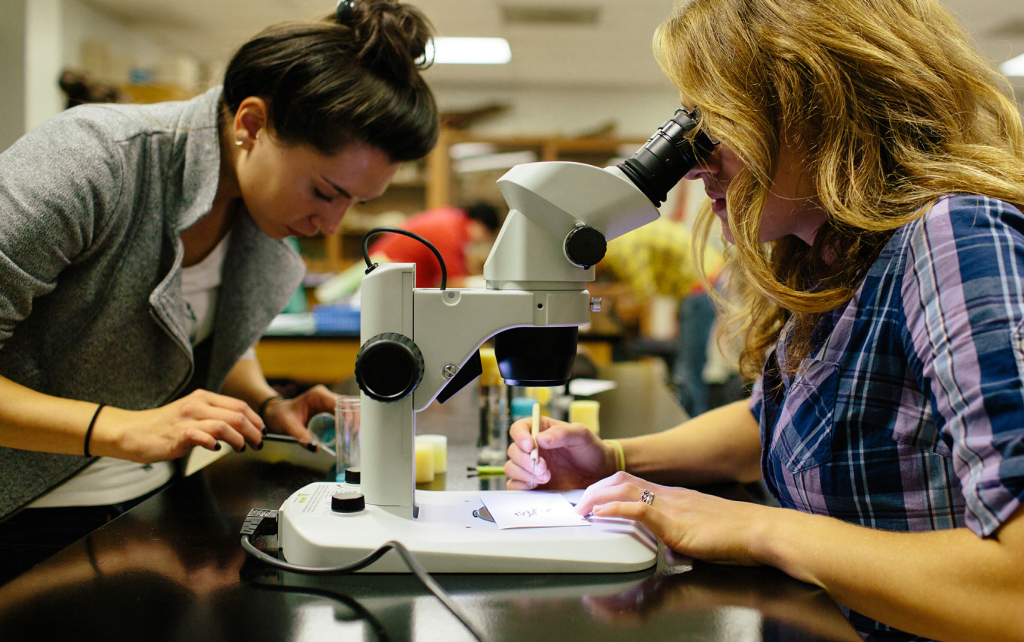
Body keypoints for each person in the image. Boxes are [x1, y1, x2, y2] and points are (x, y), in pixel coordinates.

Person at [504, 1, 1024, 640]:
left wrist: (752, 528)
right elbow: (777, 418)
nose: (694, 164)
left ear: (821, 107)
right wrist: (612, 459)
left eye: (715, 122)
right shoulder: (827, 256)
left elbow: (1016, 587)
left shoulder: (956, 239)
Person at [0, 0, 438, 577]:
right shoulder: (92, 162)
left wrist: (264, 401)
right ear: (251, 124)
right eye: (326, 192)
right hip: (25, 520)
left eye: (356, 203)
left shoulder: (259, 222)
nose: (331, 225)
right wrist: (123, 429)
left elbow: (193, 329)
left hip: (148, 513)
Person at [599, 215, 724, 416]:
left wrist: (643, 347)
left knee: (688, 369)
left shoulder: (621, 251)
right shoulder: (616, 246)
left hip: (702, 280)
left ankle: (692, 428)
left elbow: (644, 298)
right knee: (685, 366)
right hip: (693, 284)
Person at [369, 202, 500, 287]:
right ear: (482, 226)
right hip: (384, 281)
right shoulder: (450, 231)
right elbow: (452, 282)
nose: (481, 241)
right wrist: (481, 283)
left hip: (384, 274)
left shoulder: (452, 218)